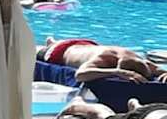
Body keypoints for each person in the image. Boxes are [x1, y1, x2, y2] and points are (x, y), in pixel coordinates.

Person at [36, 39, 167, 83]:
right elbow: (80, 75)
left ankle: (52, 41)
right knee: (37, 50)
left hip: (85, 44)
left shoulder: (136, 58)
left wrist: (164, 74)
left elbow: (158, 70)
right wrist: (117, 72)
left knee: (56, 43)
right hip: (58, 52)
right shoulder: (103, 59)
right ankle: (50, 44)